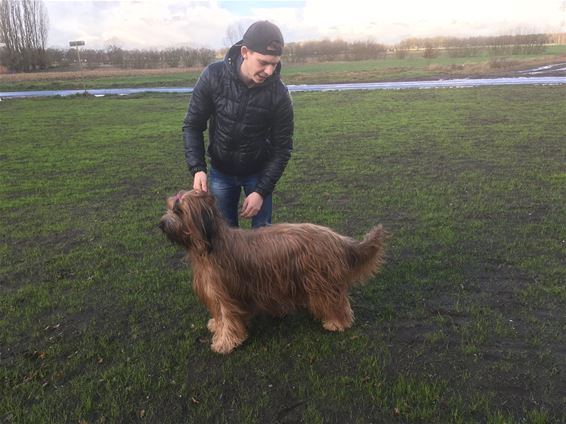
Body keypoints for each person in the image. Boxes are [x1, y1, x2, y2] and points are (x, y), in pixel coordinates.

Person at [182, 20, 294, 228]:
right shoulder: (213, 76)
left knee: (263, 243)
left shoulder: (279, 94)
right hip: (220, 174)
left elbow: (283, 148)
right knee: (224, 238)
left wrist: (260, 191)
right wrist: (197, 168)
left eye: (275, 63)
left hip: (259, 174)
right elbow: (193, 125)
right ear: (245, 52)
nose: (269, 71)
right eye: (263, 62)